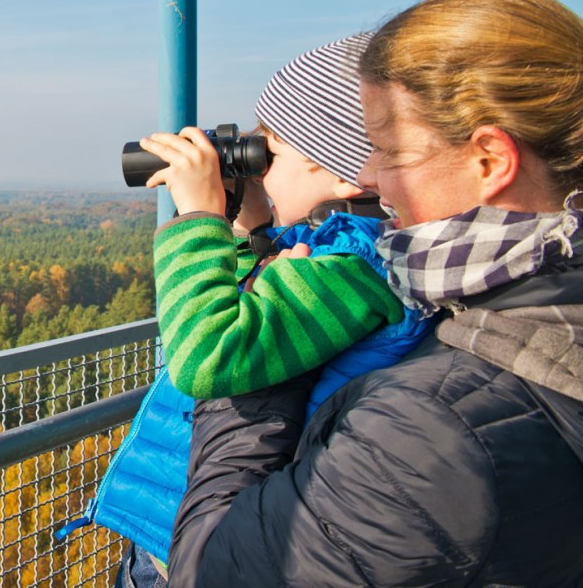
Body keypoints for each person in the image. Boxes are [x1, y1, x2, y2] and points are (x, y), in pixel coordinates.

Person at [164, 0, 583, 587]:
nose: (370, 177)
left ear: (490, 161)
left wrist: (199, 224)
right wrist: (254, 234)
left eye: (389, 150)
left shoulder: (430, 426)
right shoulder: (540, 304)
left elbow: (210, 574)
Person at [95, 34, 432, 587]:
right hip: (197, 523)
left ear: (349, 174)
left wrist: (196, 216)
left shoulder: (354, 267)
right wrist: (246, 227)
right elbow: (245, 316)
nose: (258, 168)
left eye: (271, 154)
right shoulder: (328, 252)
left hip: (217, 546)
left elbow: (206, 357)